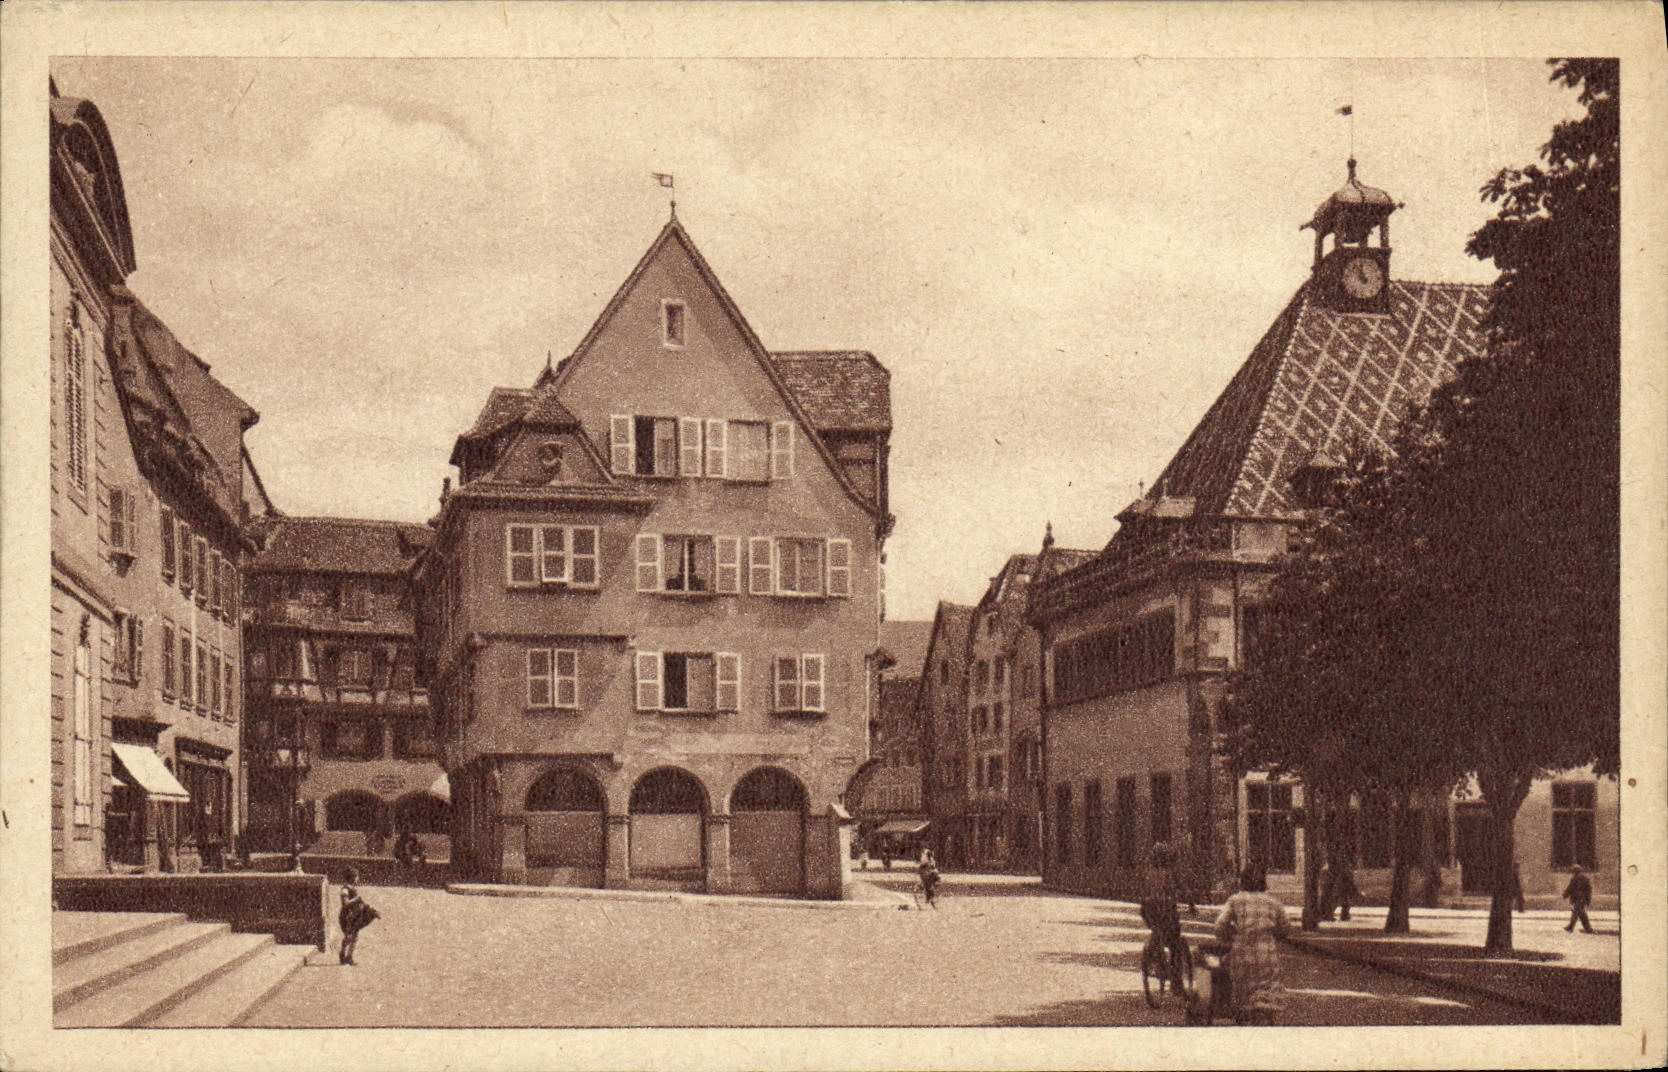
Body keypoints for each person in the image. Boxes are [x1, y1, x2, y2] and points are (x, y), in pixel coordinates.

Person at [1214, 867, 1290, 1025]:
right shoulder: (1273, 902)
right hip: (1268, 953)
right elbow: (1285, 928)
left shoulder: (1235, 900)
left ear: (1242, 881)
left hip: (1242, 951)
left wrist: (1227, 936)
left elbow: (1220, 925)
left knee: (1243, 991)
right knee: (1268, 990)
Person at [1139, 843, 1189, 989]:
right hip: (1166, 909)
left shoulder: (1147, 872)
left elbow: (1141, 891)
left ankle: (1155, 957)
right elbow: (1183, 890)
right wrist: (1191, 904)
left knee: (1156, 931)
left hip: (1148, 910)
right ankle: (1176, 981)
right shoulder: (1170, 872)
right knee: (1176, 943)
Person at [338, 866, 379, 965]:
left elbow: (361, 903)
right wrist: (356, 900)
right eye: (356, 877)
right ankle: (343, 953)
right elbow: (345, 903)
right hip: (347, 917)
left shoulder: (353, 889)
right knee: (349, 936)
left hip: (354, 916)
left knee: (354, 936)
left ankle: (349, 956)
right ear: (352, 877)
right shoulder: (345, 890)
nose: (357, 879)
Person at [1563, 865, 1594, 933]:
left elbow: (1570, 888)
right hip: (1581, 899)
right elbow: (1589, 890)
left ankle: (1586, 927)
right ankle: (1573, 927)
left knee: (1579, 913)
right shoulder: (1585, 879)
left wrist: (1565, 895)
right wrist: (1588, 899)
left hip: (1578, 899)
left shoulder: (1575, 879)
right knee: (1578, 913)